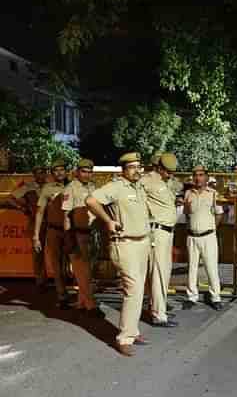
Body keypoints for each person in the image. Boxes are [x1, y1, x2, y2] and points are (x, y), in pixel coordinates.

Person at [86, 152, 152, 357]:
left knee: (139, 290)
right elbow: (91, 200)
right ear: (123, 169)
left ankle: (132, 331)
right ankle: (124, 338)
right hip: (125, 245)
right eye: (131, 167)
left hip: (142, 243)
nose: (136, 170)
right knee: (132, 290)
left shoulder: (138, 187)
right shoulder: (117, 186)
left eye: (138, 166)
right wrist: (108, 220)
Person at [140, 152, 179, 327]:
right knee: (159, 273)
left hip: (166, 233)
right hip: (158, 232)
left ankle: (155, 305)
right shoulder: (147, 180)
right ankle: (158, 315)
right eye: (168, 171)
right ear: (159, 168)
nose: (170, 174)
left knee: (161, 272)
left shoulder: (164, 181)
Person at [61, 158, 104, 317]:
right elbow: (66, 216)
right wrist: (69, 238)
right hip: (78, 234)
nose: (87, 174)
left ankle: (81, 301)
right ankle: (90, 305)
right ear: (77, 172)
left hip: (93, 233)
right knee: (82, 271)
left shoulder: (93, 186)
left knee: (87, 270)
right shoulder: (70, 188)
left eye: (90, 171)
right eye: (84, 171)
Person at [182, 165, 225, 311]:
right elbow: (187, 213)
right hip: (192, 236)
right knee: (192, 268)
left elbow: (219, 214)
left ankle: (215, 297)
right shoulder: (188, 193)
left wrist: (212, 229)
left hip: (208, 236)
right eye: (195, 175)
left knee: (211, 267)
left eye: (201, 175)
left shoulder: (213, 194)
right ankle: (191, 296)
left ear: (206, 177)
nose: (198, 178)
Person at [33, 159, 70, 308]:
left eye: (62, 169)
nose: (59, 173)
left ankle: (83, 297)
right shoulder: (48, 188)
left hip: (71, 231)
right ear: (52, 173)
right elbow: (40, 212)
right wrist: (36, 236)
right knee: (56, 264)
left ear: (67, 171)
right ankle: (62, 296)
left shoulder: (74, 186)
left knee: (75, 263)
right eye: (56, 170)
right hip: (53, 230)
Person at [10, 165, 49, 292]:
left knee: (58, 251)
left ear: (46, 174)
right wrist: (22, 208)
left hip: (53, 223)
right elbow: (11, 198)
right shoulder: (28, 187)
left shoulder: (52, 186)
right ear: (34, 175)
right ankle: (40, 281)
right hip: (35, 223)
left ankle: (62, 279)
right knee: (38, 253)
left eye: (42, 172)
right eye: (37, 173)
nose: (40, 175)